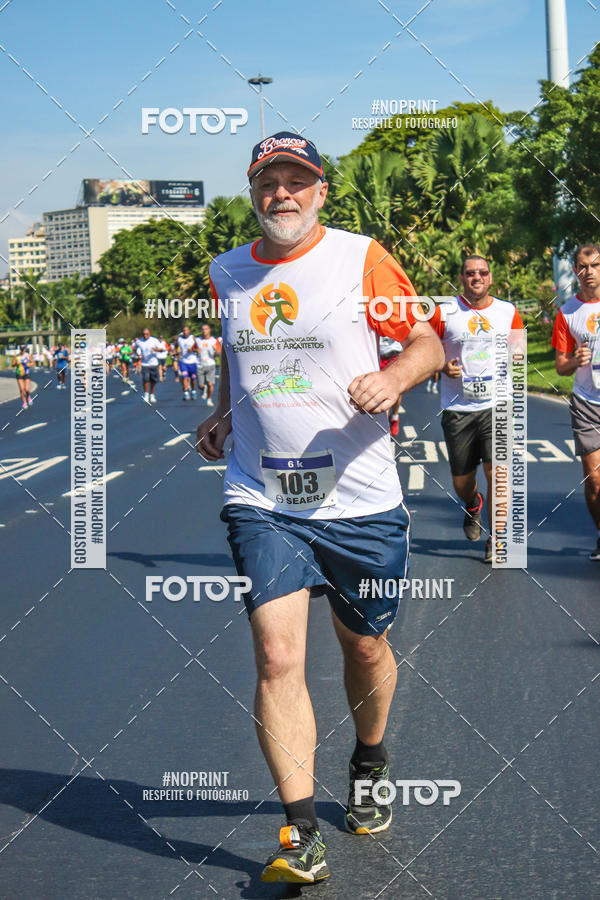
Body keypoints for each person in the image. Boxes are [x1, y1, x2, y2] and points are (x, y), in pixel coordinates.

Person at [195, 131, 443, 885]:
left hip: (360, 499)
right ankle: (301, 834)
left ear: (321, 191)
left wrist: (396, 377)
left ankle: (369, 759)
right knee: (277, 654)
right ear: (253, 192)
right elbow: (240, 359)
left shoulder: (359, 257)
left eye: (296, 181)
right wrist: (223, 412)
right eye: (269, 182)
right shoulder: (226, 272)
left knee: (364, 647)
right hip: (262, 494)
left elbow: (429, 343)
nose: (283, 195)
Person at [428, 256, 524, 563]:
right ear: (461, 278)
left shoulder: (507, 311)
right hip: (458, 408)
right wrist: (442, 365)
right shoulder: (445, 312)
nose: (477, 278)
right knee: (462, 481)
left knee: (497, 473)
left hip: (497, 405)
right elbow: (424, 349)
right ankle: (472, 503)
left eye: (483, 272)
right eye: (470, 273)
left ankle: (497, 540)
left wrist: (514, 364)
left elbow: (519, 353)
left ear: (491, 278)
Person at [552, 243, 600, 560]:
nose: (588, 272)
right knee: (594, 479)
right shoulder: (568, 312)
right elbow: (559, 365)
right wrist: (575, 360)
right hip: (586, 403)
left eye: (595, 265)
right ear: (575, 270)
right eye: (582, 267)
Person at [379, 337, 404, 435]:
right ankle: (384, 425)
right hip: (379, 356)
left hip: (395, 354)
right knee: (382, 392)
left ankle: (394, 417)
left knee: (397, 391)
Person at [134, 328, 162, 403]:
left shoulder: (154, 340)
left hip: (153, 363)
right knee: (146, 379)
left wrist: (155, 350)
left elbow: (161, 349)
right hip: (144, 364)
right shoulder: (139, 341)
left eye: (147, 334)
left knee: (153, 380)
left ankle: (152, 394)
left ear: (149, 334)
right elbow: (134, 349)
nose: (145, 335)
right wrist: (138, 355)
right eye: (144, 334)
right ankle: (146, 394)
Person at [196, 323, 221, 406]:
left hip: (211, 364)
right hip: (200, 365)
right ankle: (203, 388)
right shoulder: (198, 340)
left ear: (209, 330)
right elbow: (192, 349)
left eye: (206, 329)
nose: (204, 331)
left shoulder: (213, 341)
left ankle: (209, 399)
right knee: (201, 385)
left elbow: (218, 352)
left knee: (210, 383)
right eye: (203, 329)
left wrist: (215, 349)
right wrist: (196, 350)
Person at [176, 325, 198, 400]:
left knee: (193, 378)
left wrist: (192, 349)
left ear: (189, 331)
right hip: (183, 361)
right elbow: (176, 346)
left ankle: (193, 391)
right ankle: (185, 393)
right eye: (184, 330)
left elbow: (198, 348)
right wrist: (176, 351)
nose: (185, 332)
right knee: (184, 377)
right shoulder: (179, 339)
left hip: (193, 361)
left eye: (186, 330)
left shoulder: (193, 338)